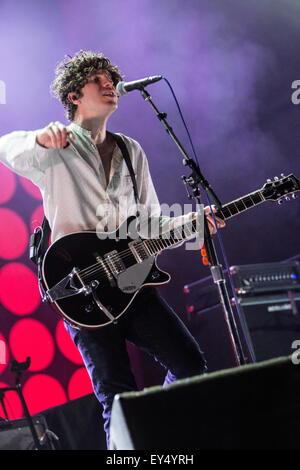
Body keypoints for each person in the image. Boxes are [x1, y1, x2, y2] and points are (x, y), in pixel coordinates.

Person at [0, 50, 225, 448]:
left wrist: (196, 224)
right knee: (116, 396)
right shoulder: (57, 145)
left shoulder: (131, 151)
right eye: (98, 80)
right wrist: (37, 137)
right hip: (82, 292)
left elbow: (151, 223)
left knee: (190, 364)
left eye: (111, 79)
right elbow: (5, 147)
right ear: (73, 95)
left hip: (131, 284)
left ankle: (157, 430)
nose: (110, 85)